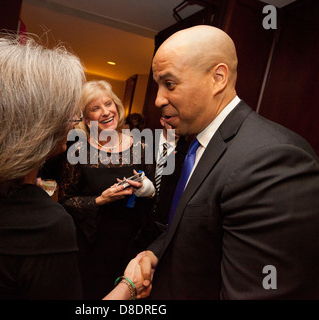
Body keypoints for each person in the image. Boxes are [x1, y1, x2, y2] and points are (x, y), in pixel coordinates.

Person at [0, 35, 145, 300]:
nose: (73, 122)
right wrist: (128, 287)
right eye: (69, 113)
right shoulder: (47, 224)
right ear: (36, 128)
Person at [131, 25, 319, 299]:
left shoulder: (273, 159)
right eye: (158, 86)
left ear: (218, 78)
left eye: (170, 84)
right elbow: (196, 229)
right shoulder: (195, 143)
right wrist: (154, 252)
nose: (158, 99)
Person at [58, 80, 156, 299]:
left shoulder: (141, 147)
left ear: (117, 107)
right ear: (85, 118)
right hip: (92, 245)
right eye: (95, 108)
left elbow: (155, 198)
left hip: (132, 243)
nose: (105, 112)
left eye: (108, 104)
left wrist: (145, 189)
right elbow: (65, 201)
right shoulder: (77, 151)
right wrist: (100, 200)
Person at [152, 116, 189, 231]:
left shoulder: (188, 152)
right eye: (173, 125)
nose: (177, 129)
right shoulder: (144, 142)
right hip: (138, 212)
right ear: (162, 121)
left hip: (165, 219)